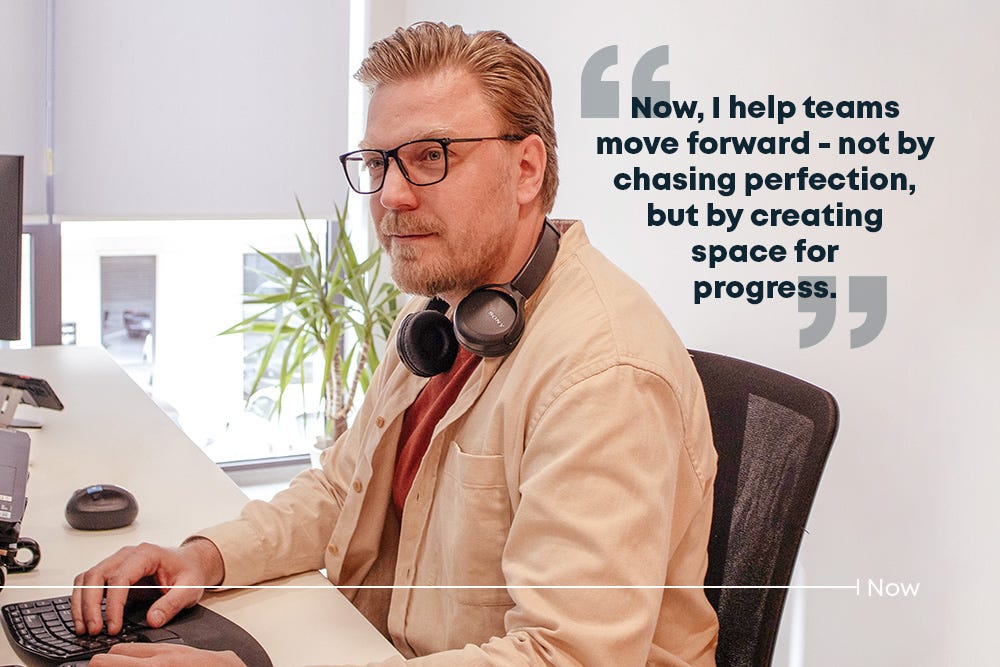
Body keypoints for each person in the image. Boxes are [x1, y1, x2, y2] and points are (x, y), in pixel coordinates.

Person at [72, 22, 719, 666]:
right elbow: (343, 490)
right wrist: (203, 557)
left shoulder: (602, 374)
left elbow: (565, 655)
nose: (390, 196)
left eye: (432, 156)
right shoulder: (438, 314)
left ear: (526, 169)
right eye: (378, 162)